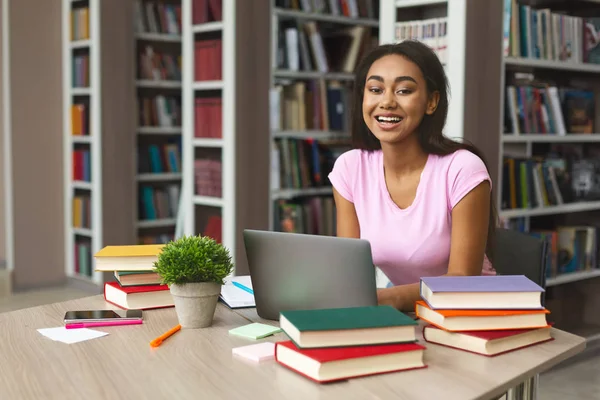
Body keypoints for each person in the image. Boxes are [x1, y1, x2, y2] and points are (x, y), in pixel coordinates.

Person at [327, 40, 498, 312]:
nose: (387, 102)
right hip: (408, 313)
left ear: (432, 102)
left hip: (472, 313)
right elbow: (351, 274)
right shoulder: (350, 169)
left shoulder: (463, 168)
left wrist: (387, 298)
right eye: (375, 89)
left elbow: (463, 280)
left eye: (404, 90)